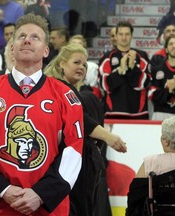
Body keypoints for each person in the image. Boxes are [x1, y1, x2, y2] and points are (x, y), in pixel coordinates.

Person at [0, 13, 84, 216]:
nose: (27, 39)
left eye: (35, 37)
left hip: (47, 208)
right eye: (21, 36)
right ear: (12, 48)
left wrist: (40, 194)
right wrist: (4, 190)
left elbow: (74, 152)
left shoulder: (66, 96)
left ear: (46, 51)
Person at [44, 43, 126, 216]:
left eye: (84, 64)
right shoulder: (58, 87)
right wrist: (108, 137)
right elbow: (81, 119)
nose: (82, 67)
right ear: (62, 64)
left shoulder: (67, 89)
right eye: (77, 62)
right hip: (65, 160)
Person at [99, 21, 151, 119]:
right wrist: (120, 70)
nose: (124, 37)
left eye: (127, 34)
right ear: (116, 36)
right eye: (121, 34)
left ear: (131, 36)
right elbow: (104, 86)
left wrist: (133, 69)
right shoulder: (107, 58)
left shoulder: (142, 56)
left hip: (139, 115)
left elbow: (146, 84)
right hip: (113, 115)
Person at [148, 35, 175, 120]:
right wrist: (168, 90)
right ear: (166, 49)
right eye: (171, 44)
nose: (174, 46)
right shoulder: (157, 69)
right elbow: (151, 95)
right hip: (161, 113)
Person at [68, 34, 102, 99]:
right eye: (74, 43)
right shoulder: (63, 66)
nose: (77, 46)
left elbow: (95, 92)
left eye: (79, 43)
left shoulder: (92, 67)